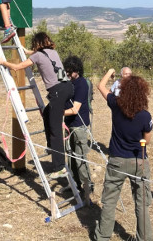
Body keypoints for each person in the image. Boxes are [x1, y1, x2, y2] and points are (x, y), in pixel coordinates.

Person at [0, 32, 73, 177]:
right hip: (67, 87)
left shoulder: (37, 56)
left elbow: (18, 67)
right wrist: (27, 52)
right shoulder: (52, 52)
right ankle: (51, 147)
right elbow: (40, 54)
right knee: (48, 113)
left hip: (57, 92)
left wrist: (2, 62)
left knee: (56, 131)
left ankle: (59, 167)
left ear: (36, 43)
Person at [94, 69, 153, 241]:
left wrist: (110, 71)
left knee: (109, 201)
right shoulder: (145, 116)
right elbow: (146, 140)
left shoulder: (116, 104)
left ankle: (103, 237)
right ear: (143, 93)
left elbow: (100, 86)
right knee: (142, 204)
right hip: (139, 161)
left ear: (124, 90)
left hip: (117, 160)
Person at [62, 55, 92, 198]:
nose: (68, 74)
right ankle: (73, 183)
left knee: (80, 157)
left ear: (77, 70)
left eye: (70, 72)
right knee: (70, 156)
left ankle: (87, 185)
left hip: (79, 126)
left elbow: (75, 110)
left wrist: (57, 113)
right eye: (66, 71)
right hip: (69, 125)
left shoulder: (81, 84)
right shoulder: (68, 81)